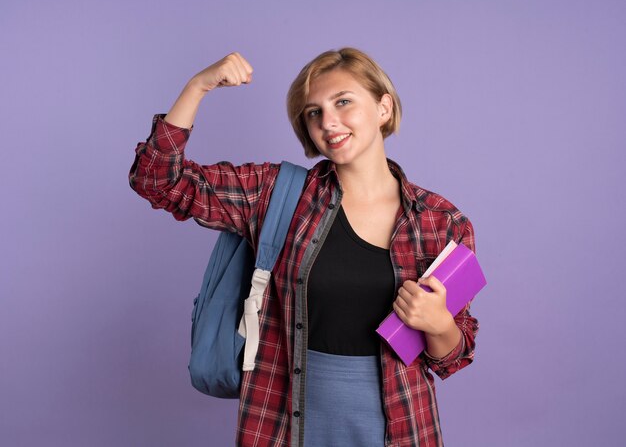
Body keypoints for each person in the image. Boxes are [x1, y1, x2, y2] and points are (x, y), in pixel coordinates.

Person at [129, 48, 479, 447]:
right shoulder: (276, 194)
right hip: (284, 420)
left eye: (343, 102)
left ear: (383, 108)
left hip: (399, 425)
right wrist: (198, 86)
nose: (329, 122)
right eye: (314, 112)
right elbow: (156, 180)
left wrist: (439, 324)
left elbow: (451, 357)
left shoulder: (441, 222)